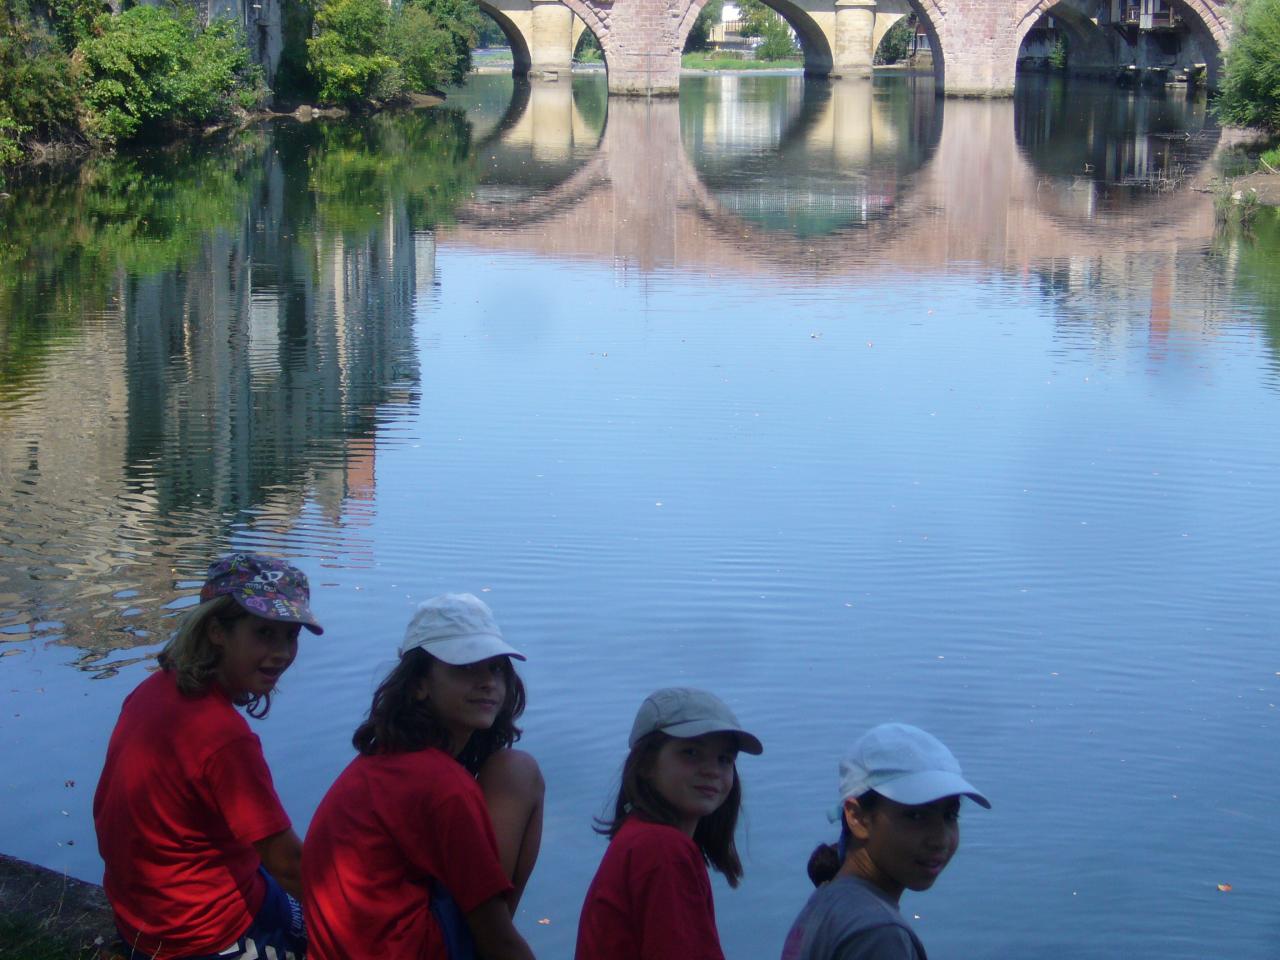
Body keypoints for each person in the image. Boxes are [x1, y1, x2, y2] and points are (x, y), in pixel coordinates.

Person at [94, 552, 323, 960]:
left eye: (291, 636)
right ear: (217, 630)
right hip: (203, 936)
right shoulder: (223, 738)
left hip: (140, 915)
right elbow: (288, 862)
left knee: (303, 911)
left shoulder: (155, 689)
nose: (282, 653)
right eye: (264, 634)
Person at [302, 592, 543, 960]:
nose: (487, 682)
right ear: (419, 683)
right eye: (465, 667)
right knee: (518, 773)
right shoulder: (440, 782)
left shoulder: (383, 761)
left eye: (496, 667)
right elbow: (498, 939)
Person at [575, 687, 764, 960]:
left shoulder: (638, 839)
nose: (712, 770)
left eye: (724, 759)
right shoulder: (662, 849)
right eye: (690, 752)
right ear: (645, 765)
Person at [780, 722, 991, 960]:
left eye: (950, 815)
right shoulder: (878, 934)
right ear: (857, 817)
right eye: (916, 815)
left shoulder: (828, 899)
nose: (940, 839)